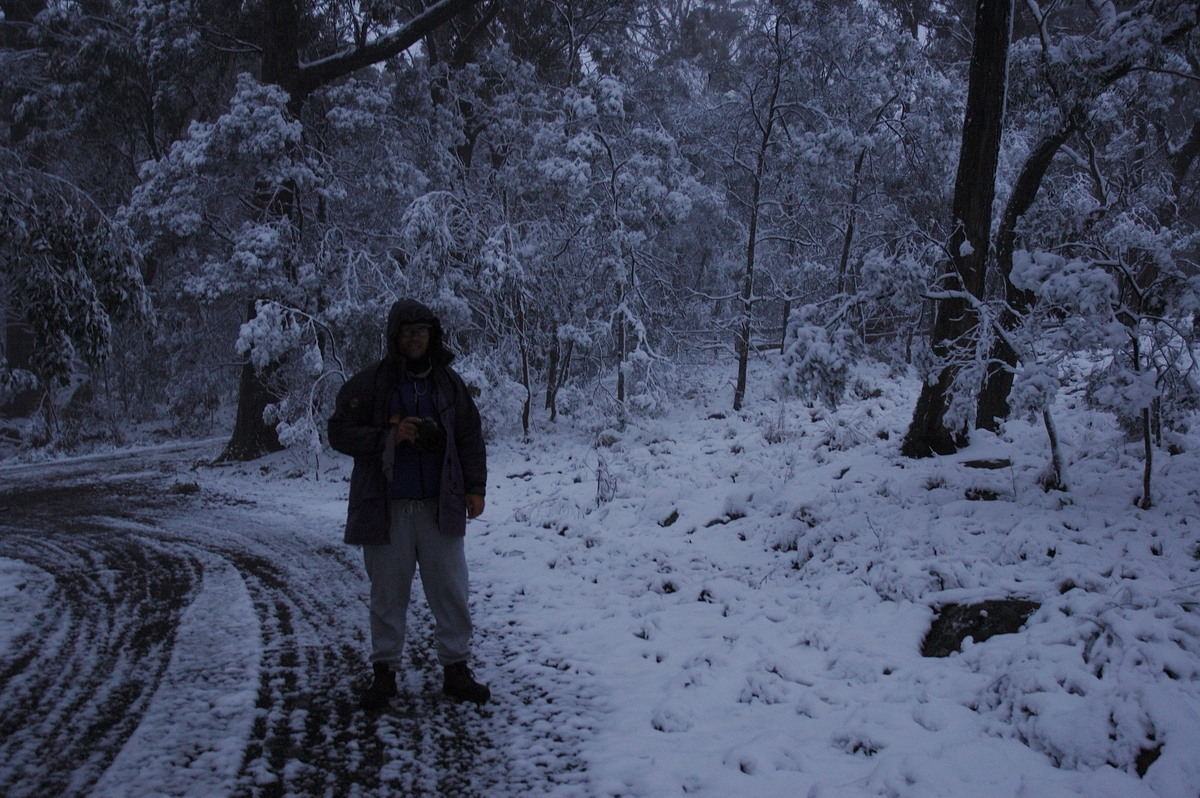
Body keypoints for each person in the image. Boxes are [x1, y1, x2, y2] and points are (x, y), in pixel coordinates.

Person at [327, 298, 490, 709]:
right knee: (387, 594)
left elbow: (470, 436)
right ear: (394, 336)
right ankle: (384, 674)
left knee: (451, 591)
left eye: (422, 331)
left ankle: (456, 669)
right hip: (387, 507)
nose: (415, 338)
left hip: (440, 504)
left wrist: (476, 488)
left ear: (432, 335)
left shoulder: (448, 384)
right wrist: (389, 436)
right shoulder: (371, 383)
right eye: (407, 331)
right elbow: (339, 433)